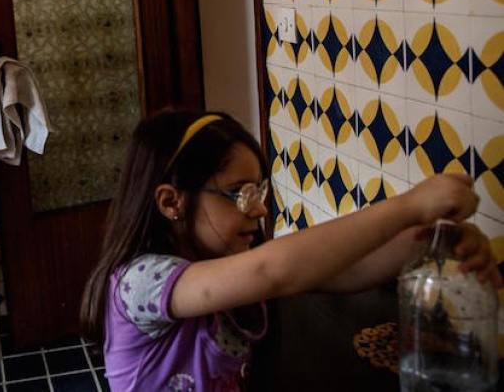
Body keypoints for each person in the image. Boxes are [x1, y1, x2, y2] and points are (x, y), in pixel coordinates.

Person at [80, 108, 500, 392]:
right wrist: (408, 206)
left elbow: (349, 270)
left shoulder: (223, 264)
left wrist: (438, 239)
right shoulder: (140, 282)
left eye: (259, 190)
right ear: (172, 202)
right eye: (239, 194)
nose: (260, 208)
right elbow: (275, 271)